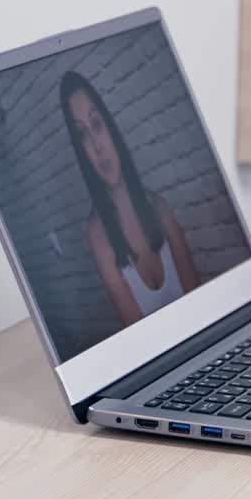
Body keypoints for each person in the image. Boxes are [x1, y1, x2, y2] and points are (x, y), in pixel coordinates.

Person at [61, 70, 200, 324]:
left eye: (97, 125)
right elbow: (139, 335)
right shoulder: (98, 234)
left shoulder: (160, 208)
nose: (96, 145)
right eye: (82, 135)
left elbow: (199, 305)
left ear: (110, 129)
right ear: (80, 152)